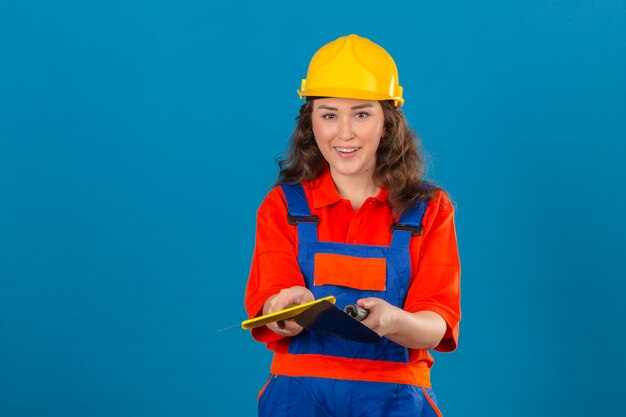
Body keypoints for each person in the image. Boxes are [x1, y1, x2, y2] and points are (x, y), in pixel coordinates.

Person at [245, 34, 461, 417]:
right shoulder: (282, 206)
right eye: (329, 114)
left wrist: (394, 321)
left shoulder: (428, 209)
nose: (344, 133)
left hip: (394, 397)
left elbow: (437, 324)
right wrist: (285, 307)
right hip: (298, 399)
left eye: (361, 113)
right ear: (310, 123)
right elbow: (270, 302)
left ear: (387, 123)